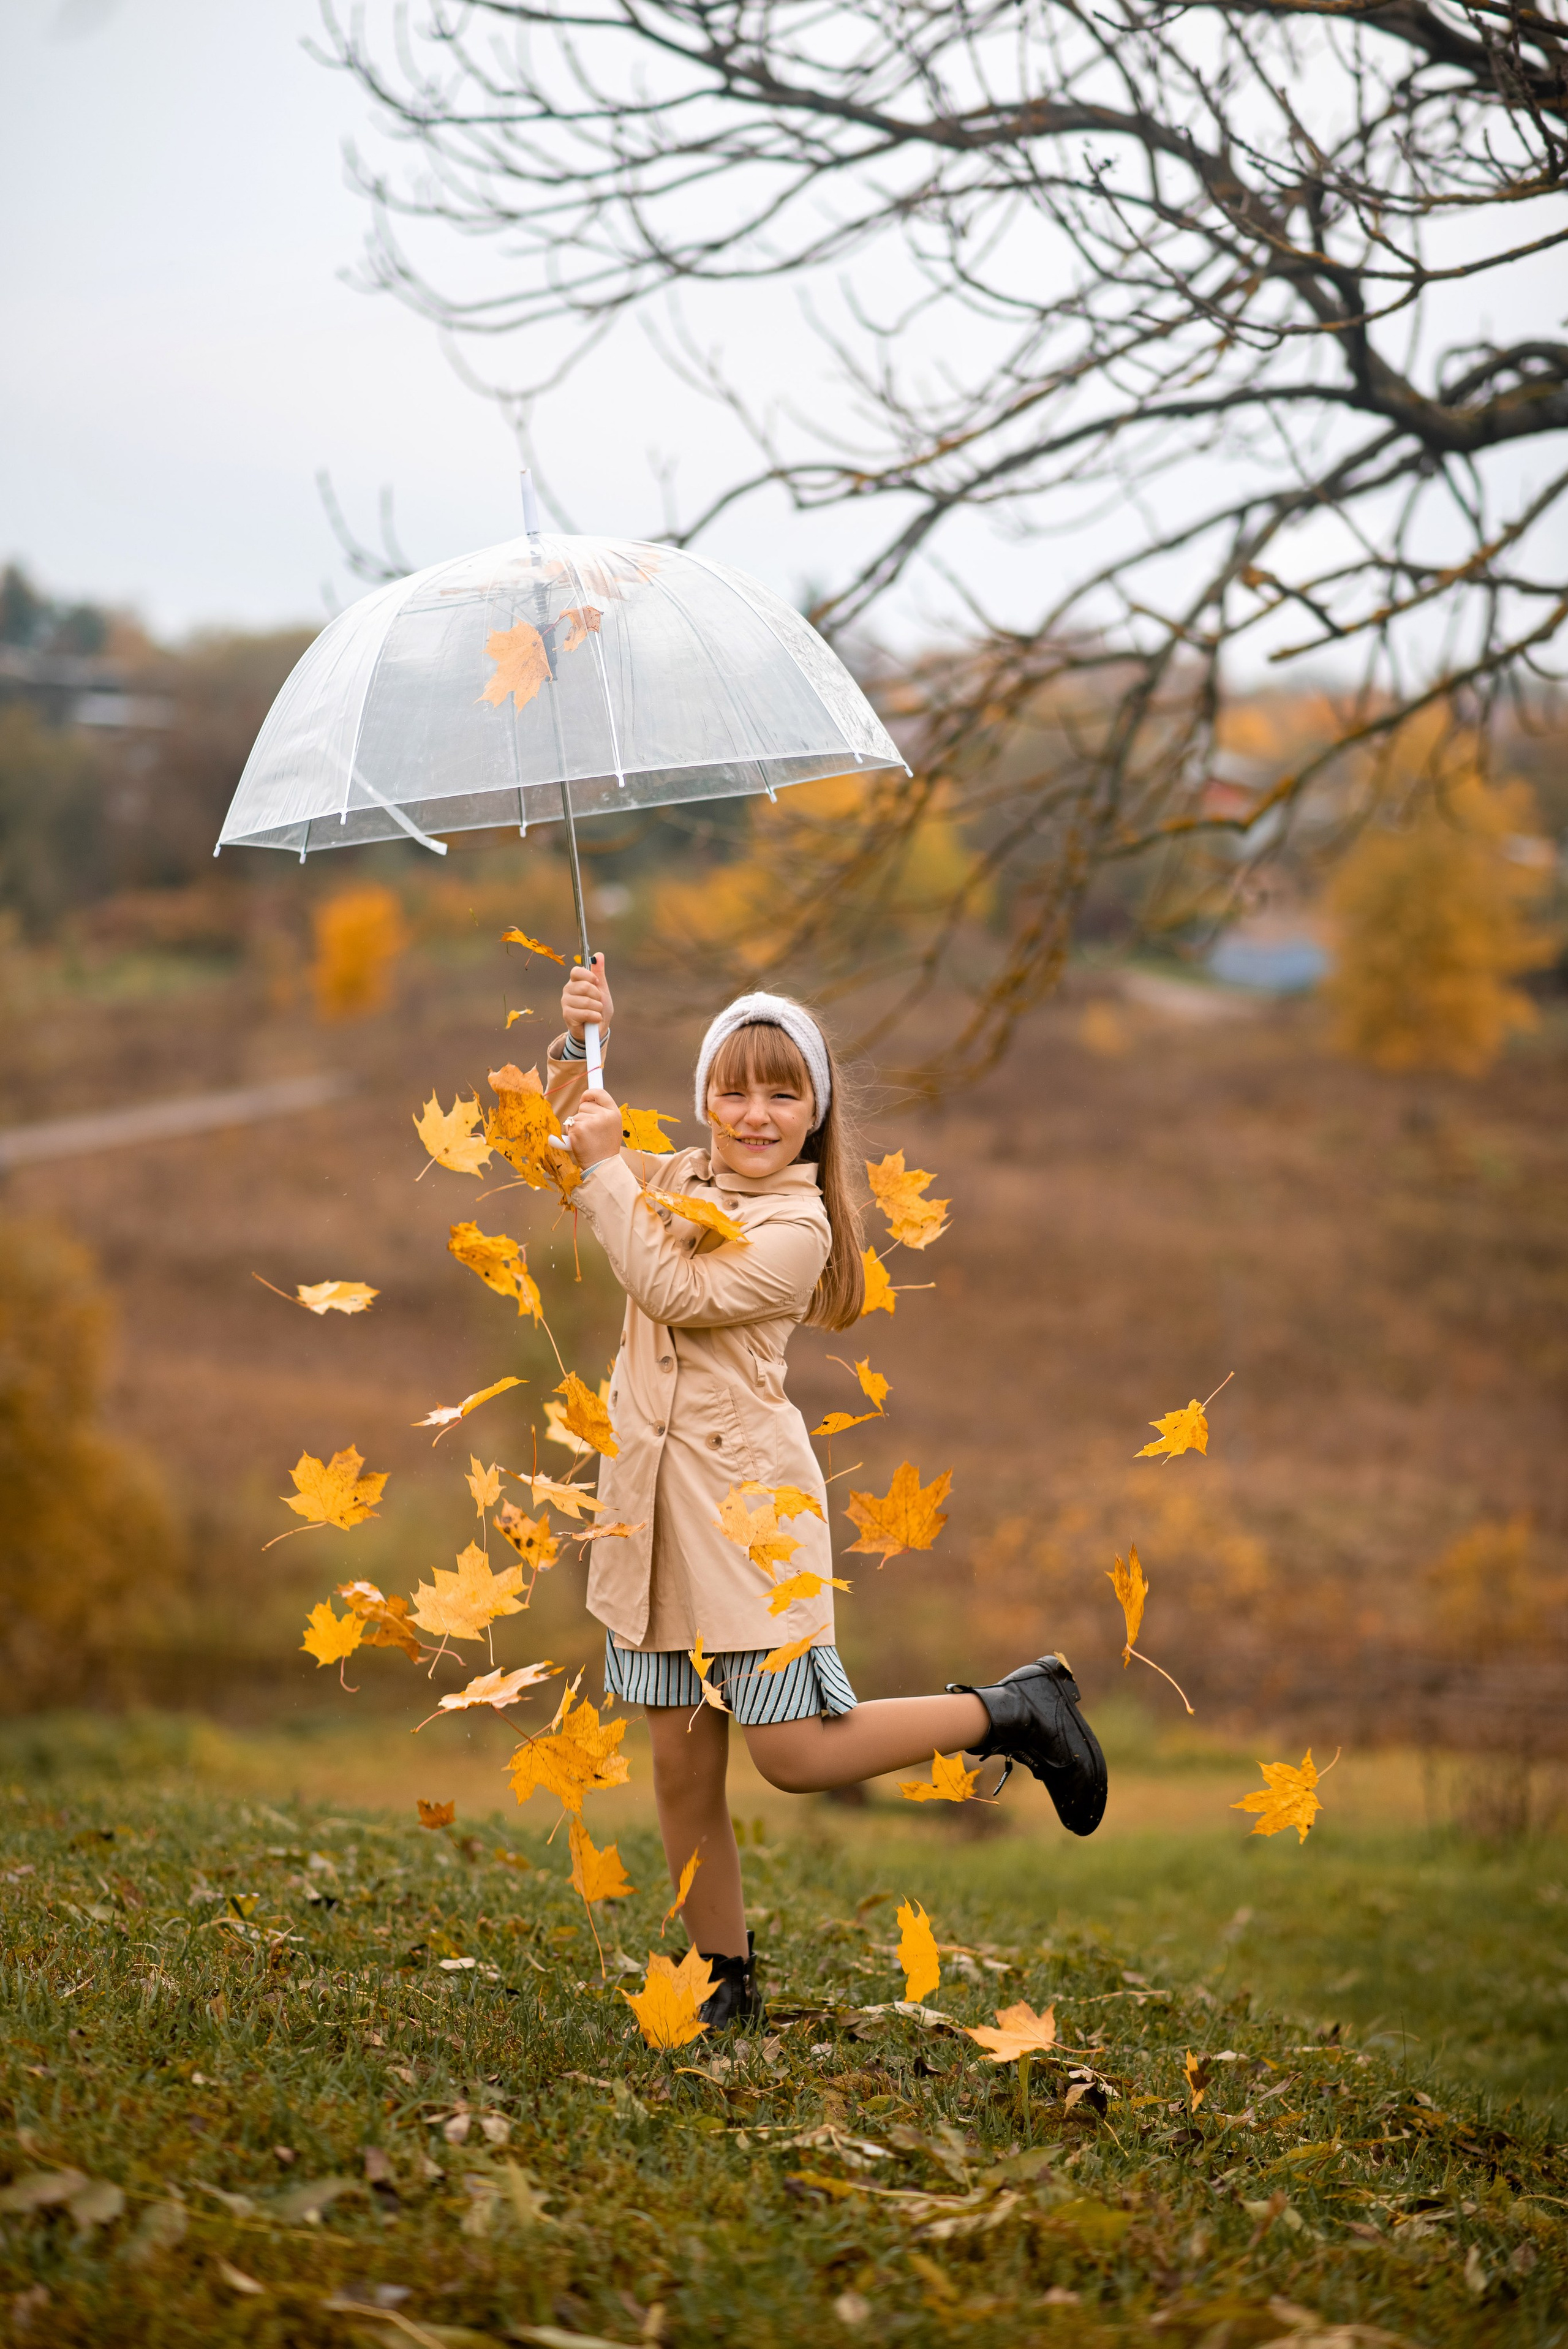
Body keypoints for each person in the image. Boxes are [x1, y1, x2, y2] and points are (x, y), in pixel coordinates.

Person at [547, 957, 1107, 2027]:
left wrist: (612, 1169)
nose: (754, 1114)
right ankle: (723, 1980)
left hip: (746, 1518)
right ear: (706, 1095)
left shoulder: (794, 1230)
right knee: (675, 1759)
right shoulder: (673, 1180)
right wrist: (580, 1048)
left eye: (782, 1092)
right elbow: (561, 1148)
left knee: (794, 1755)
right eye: (733, 1089)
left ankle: (1011, 1710)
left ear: (815, 1114)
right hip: (649, 1509)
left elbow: (669, 1284)